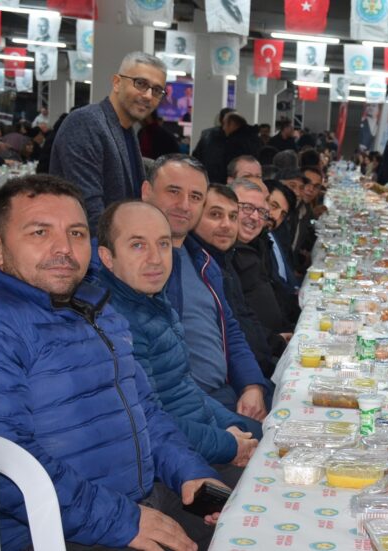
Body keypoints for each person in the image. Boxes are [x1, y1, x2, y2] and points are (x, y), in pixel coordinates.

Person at [0, 175, 225, 550]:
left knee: (253, 515)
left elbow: (146, 411)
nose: (64, 248)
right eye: (40, 232)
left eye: (75, 233)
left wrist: (190, 472)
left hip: (132, 502)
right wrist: (122, 520)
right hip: (46, 531)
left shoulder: (92, 307)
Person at [96, 200, 259, 475]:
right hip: (172, 463)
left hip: (203, 434)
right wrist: (227, 444)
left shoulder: (154, 302)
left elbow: (186, 387)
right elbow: (147, 422)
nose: (155, 258)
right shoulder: (115, 322)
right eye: (138, 245)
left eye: (163, 244)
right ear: (107, 257)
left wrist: (234, 427)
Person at [141, 154, 270, 420]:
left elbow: (230, 330)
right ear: (146, 191)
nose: (184, 205)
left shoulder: (203, 261)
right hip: (190, 406)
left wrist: (252, 385)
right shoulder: (137, 265)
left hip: (227, 392)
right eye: (173, 191)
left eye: (195, 197)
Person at [50, 51, 167, 225]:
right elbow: (89, 211)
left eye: (157, 90)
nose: (148, 96)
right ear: (117, 83)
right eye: (141, 84)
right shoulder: (86, 122)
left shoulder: (127, 131)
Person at [192, 184, 279, 378]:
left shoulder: (225, 258)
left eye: (232, 216)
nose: (226, 225)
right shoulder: (197, 264)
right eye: (215, 215)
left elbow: (244, 318)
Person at [229, 178, 296, 363]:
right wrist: (275, 342)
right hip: (259, 355)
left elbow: (273, 292)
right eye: (247, 208)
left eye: (261, 212)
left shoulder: (256, 246)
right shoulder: (220, 255)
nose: (255, 217)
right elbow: (236, 319)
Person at [192, 107, 235, 184]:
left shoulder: (207, 134)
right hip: (222, 180)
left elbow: (196, 157)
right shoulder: (240, 138)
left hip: (209, 179)